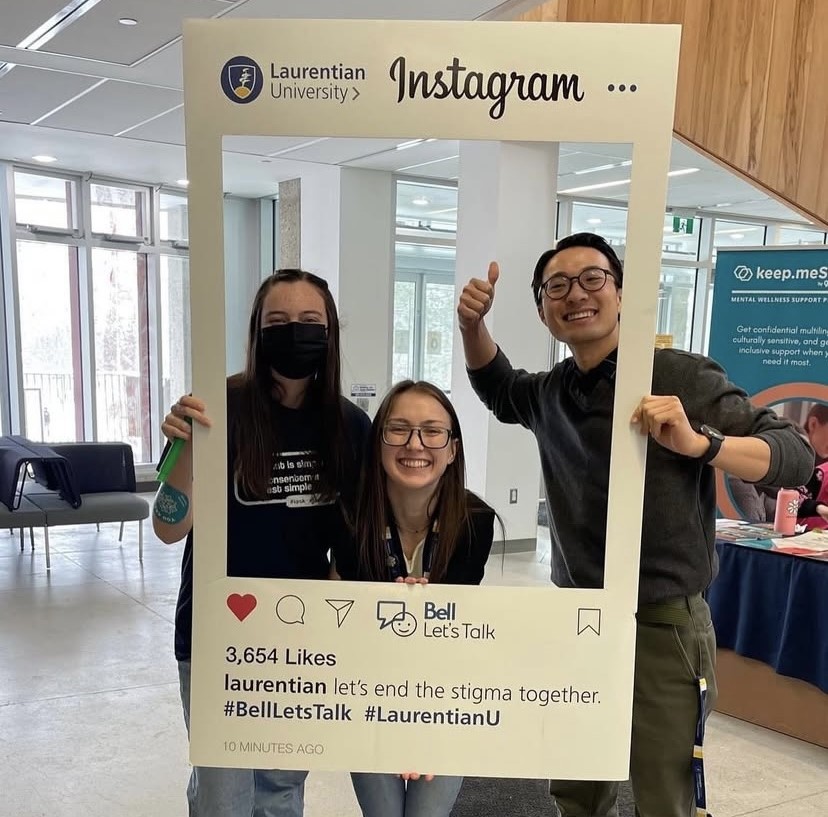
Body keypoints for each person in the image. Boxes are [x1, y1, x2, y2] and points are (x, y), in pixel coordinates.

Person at [456, 232, 814, 817]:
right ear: (544, 310)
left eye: (592, 278)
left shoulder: (678, 375)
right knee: (577, 787)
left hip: (663, 624)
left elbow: (794, 455)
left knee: (662, 792)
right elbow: (500, 388)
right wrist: (473, 326)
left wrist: (701, 443)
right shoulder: (554, 392)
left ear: (621, 292)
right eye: (557, 286)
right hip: (577, 621)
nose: (576, 294)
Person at [152, 269, 370, 817]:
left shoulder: (348, 424)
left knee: (280, 789)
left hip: (298, 640)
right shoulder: (214, 410)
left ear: (331, 331)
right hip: (215, 634)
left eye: (309, 322)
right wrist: (185, 452)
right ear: (256, 331)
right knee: (224, 795)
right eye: (278, 322)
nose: (293, 332)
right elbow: (167, 526)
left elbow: (355, 539)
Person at [336, 379, 496, 817]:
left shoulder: (475, 523)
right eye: (399, 429)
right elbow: (341, 630)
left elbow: (458, 641)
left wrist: (423, 731)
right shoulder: (350, 517)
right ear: (378, 441)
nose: (415, 444)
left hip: (446, 693)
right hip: (365, 691)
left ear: (452, 448)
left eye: (432, 431)